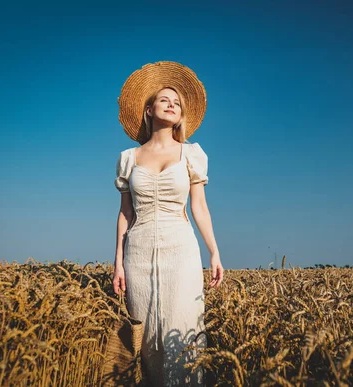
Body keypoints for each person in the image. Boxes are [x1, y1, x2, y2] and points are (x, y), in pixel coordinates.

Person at [112, 61, 224, 386]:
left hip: (181, 250)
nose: (172, 104)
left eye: (176, 102)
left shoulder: (191, 154)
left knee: (183, 332)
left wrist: (214, 252)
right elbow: (125, 214)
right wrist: (118, 263)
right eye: (165, 100)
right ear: (149, 110)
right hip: (138, 253)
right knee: (146, 340)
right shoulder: (128, 158)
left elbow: (199, 208)